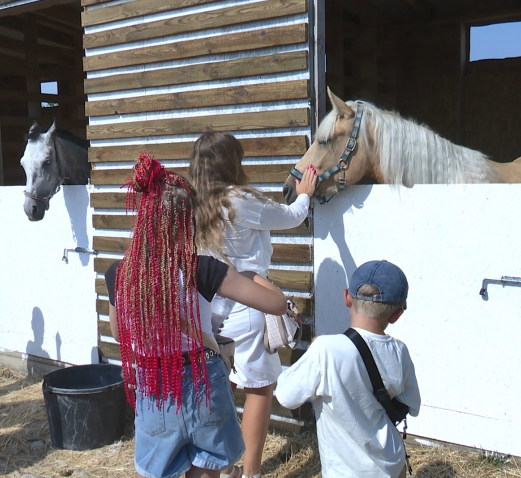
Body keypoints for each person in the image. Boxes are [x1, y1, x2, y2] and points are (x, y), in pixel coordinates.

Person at [104, 154, 288, 478]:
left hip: (154, 390)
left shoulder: (119, 274)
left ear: (145, 216)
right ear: (188, 220)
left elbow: (120, 335)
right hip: (203, 383)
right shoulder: (204, 268)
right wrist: (252, 274)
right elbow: (276, 305)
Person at [189, 132, 317, 478]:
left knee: (221, 388)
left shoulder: (192, 203)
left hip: (209, 312)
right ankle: (250, 474)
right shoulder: (239, 200)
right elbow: (291, 216)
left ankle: (220, 465)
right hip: (247, 304)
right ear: (232, 162)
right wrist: (305, 195)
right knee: (258, 390)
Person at [275, 260, 421, 478]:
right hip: (392, 466)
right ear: (397, 314)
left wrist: (313, 349)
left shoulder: (326, 350)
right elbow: (410, 404)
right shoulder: (400, 351)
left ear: (346, 297)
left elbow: (285, 396)